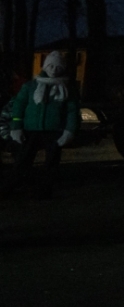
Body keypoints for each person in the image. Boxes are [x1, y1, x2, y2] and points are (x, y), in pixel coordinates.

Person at [2, 51, 80, 200]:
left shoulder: (68, 89)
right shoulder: (30, 86)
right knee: (22, 161)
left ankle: (44, 192)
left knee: (51, 164)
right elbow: (19, 105)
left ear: (62, 68)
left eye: (58, 66)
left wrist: (69, 131)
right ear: (44, 66)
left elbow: (72, 111)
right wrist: (16, 126)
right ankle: (9, 188)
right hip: (30, 130)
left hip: (54, 131)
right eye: (50, 65)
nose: (53, 70)